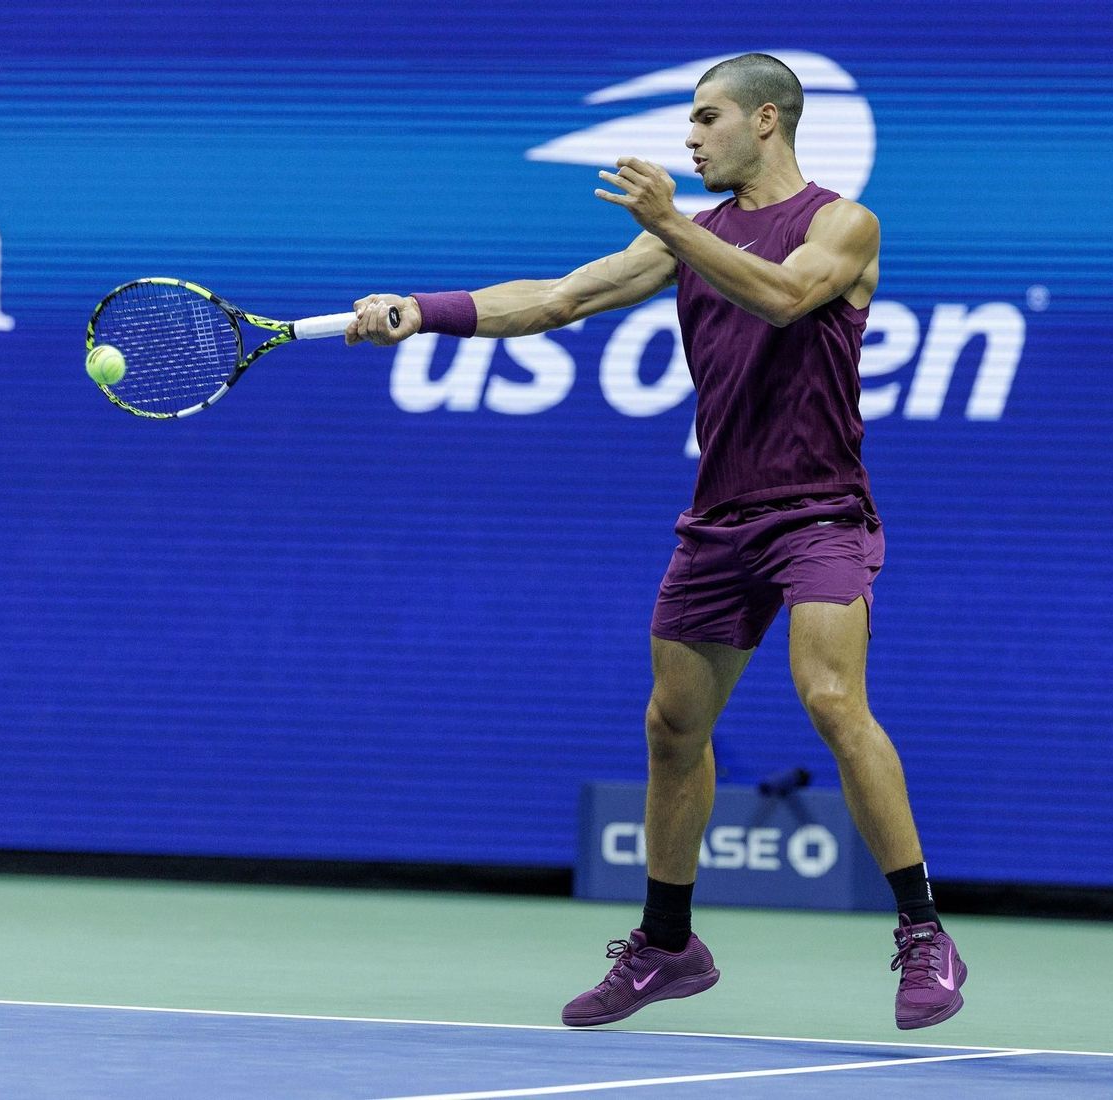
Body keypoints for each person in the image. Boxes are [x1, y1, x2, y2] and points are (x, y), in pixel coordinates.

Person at [346, 52, 966, 1032]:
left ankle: (922, 928)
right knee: (672, 727)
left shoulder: (842, 223)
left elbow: (783, 295)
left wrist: (672, 224)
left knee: (830, 694)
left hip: (818, 515)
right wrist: (424, 312)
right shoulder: (690, 237)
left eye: (707, 117)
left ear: (767, 121)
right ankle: (669, 943)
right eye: (688, 119)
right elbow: (559, 298)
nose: (689, 135)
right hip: (719, 518)